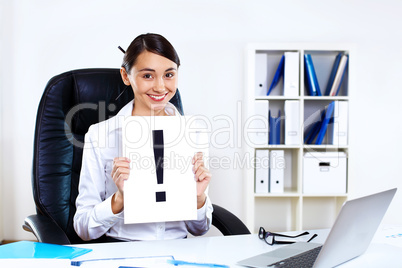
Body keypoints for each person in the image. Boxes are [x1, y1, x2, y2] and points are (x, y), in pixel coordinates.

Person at [73, 33, 213, 241]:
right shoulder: (101, 135)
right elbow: (83, 228)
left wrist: (198, 198)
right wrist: (119, 199)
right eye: (147, 75)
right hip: (122, 252)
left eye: (169, 75)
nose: (159, 87)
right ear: (126, 76)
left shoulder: (194, 133)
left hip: (177, 255)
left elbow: (200, 229)